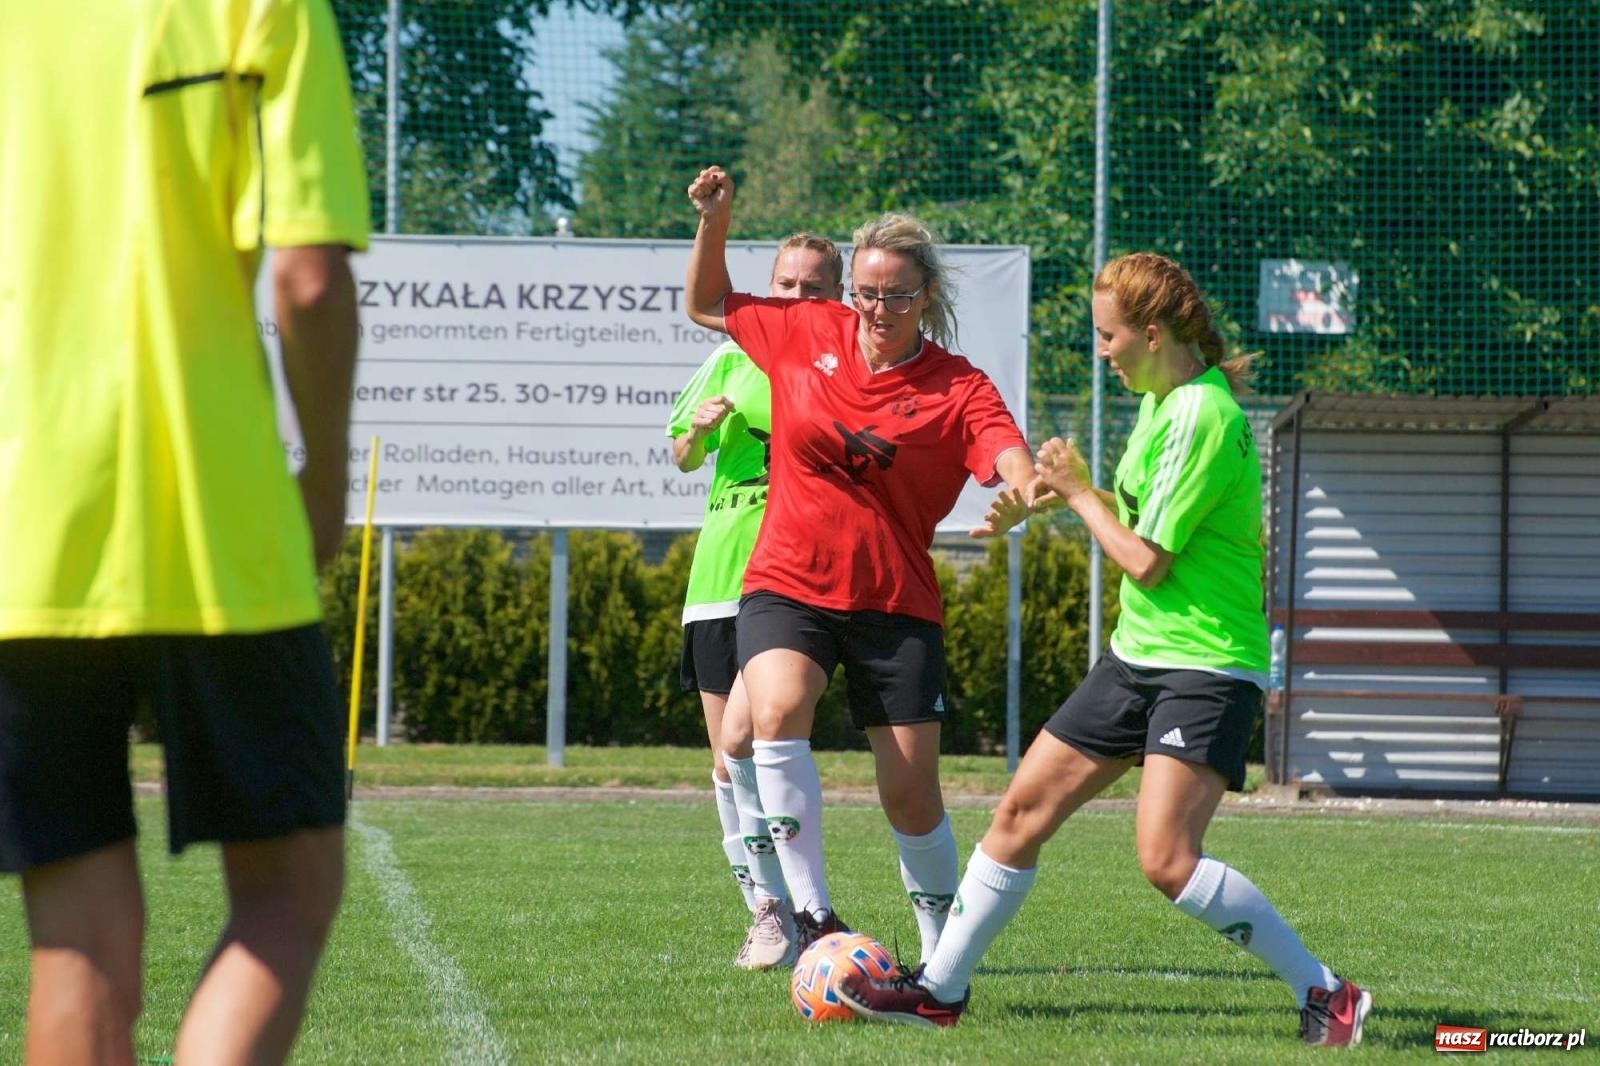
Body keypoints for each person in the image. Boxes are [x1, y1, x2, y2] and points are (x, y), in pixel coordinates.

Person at [838, 252, 1371, 1047]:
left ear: (1152, 334)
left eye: (1107, 335)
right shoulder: (1162, 405)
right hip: (1140, 656)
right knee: (1018, 812)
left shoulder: (1200, 413)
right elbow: (1138, 516)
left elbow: (1147, 558)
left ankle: (1329, 994)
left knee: (1166, 860)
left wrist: (1082, 495)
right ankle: (940, 992)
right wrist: (1058, 496)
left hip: (1206, 664)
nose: (1101, 350)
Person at [0, 1, 368, 1062]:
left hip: (23, 533)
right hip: (217, 520)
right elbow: (307, 278)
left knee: (74, 941)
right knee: (289, 887)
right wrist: (324, 482)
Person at [684, 165, 1038, 967]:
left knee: (911, 796)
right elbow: (707, 303)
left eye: (899, 295)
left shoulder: (957, 386)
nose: (880, 310)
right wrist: (717, 219)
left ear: (927, 295)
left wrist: (1025, 492)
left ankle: (940, 959)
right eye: (868, 294)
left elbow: (1009, 457)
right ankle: (812, 918)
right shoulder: (806, 333)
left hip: (893, 601)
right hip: (787, 581)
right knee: (771, 713)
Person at [667, 233, 845, 970]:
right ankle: (769, 912)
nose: (796, 298)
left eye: (812, 286)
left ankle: (803, 906)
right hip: (718, 578)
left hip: (792, 580)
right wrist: (699, 430)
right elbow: (679, 451)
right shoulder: (732, 353)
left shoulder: (837, 367)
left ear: (835, 296)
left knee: (753, 740)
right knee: (724, 761)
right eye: (785, 283)